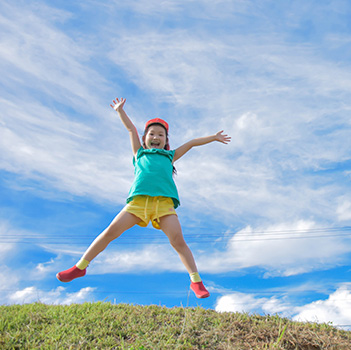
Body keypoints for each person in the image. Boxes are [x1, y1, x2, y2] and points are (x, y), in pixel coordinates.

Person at [56, 97, 231, 299]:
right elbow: (131, 129)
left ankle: (196, 281)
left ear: (166, 140)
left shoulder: (170, 156)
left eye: (161, 135)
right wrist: (120, 111)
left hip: (163, 205)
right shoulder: (139, 153)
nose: (156, 137)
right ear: (145, 137)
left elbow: (191, 143)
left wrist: (214, 137)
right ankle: (80, 267)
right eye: (152, 134)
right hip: (137, 203)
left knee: (178, 241)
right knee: (110, 231)